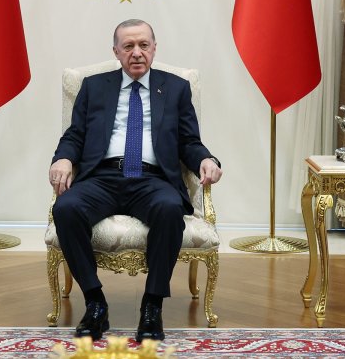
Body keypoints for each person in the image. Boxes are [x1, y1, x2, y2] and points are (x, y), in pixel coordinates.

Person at [49, 19, 223, 343]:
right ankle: (95, 303)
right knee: (67, 208)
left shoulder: (175, 88)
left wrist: (206, 160)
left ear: (155, 48)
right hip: (102, 176)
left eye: (144, 45)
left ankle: (152, 306)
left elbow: (189, 141)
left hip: (151, 179)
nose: (137, 53)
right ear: (116, 51)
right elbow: (75, 135)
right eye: (128, 46)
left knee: (170, 209)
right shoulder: (93, 86)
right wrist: (62, 158)